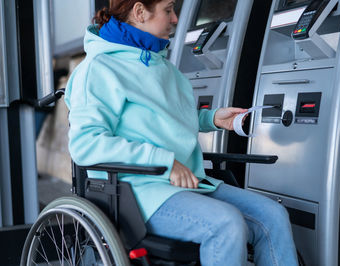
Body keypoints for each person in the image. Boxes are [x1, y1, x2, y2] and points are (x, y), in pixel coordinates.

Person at [64, 0, 298, 265]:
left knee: (273, 215)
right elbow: (86, 143)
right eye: (168, 9)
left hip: (186, 184)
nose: (175, 19)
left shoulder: (162, 67)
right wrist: (164, 161)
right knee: (226, 224)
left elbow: (160, 121)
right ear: (140, 12)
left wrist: (211, 119)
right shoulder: (98, 70)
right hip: (137, 192)